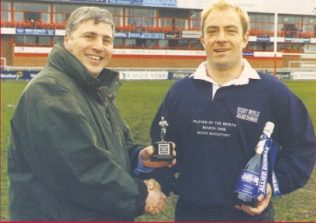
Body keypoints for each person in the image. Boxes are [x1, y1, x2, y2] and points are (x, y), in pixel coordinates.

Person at [146, 0, 316, 221]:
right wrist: (159, 182)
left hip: (249, 215)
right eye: (212, 31)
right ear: (203, 39)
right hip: (191, 213)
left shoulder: (274, 92)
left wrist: (272, 184)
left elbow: (302, 147)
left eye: (231, 30)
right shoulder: (180, 92)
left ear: (244, 38)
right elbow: (162, 147)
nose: (221, 38)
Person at [7, 6, 173, 221]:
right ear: (67, 40)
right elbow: (81, 170)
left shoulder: (94, 89)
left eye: (107, 40)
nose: (99, 46)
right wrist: (142, 195)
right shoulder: (50, 90)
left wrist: (138, 158)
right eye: (89, 36)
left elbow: (114, 149)